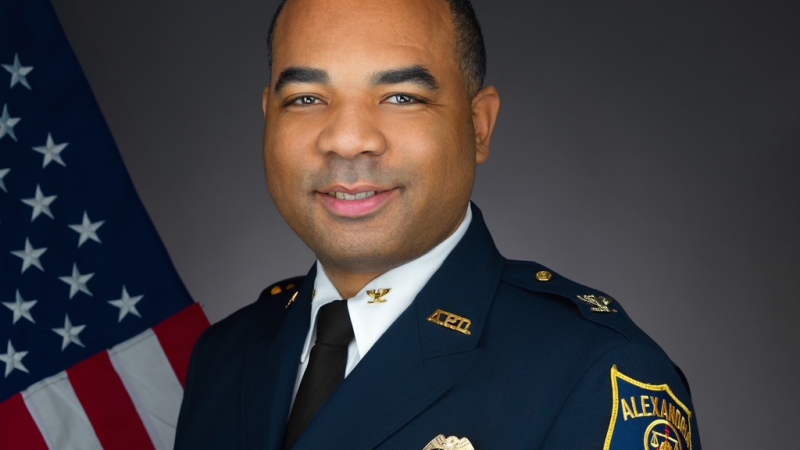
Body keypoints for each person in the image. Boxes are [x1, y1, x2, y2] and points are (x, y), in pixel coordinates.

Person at [175, 0, 701, 448]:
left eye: (401, 97)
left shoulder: (595, 375)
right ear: (269, 117)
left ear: (478, 127)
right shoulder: (225, 356)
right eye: (307, 98)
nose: (347, 139)